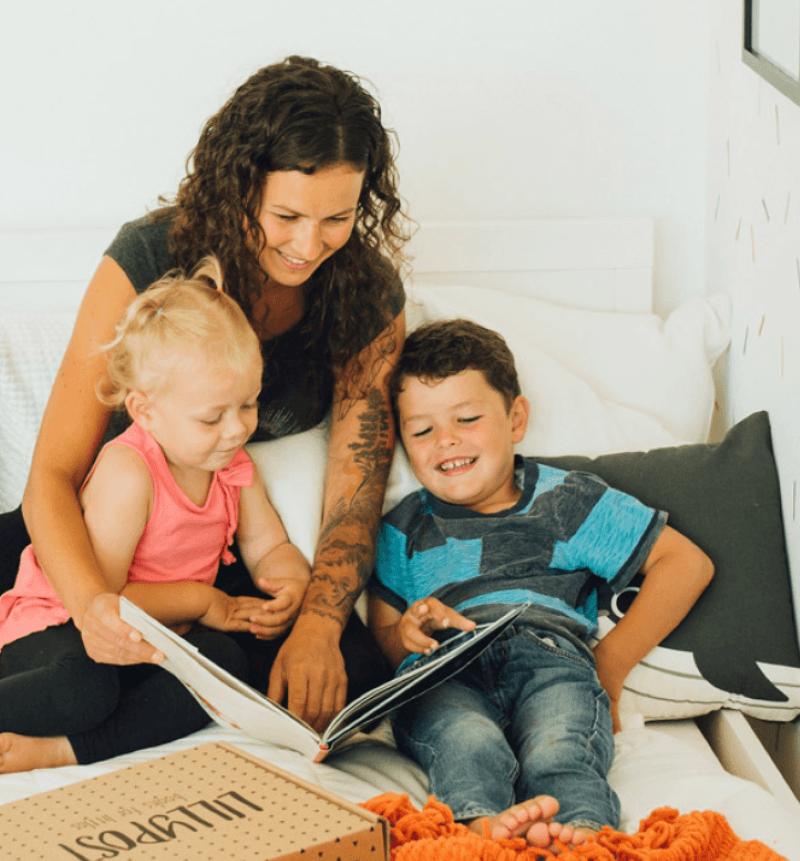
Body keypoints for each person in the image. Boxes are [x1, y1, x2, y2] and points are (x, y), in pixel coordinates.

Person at [1, 55, 406, 734]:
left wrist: (316, 618)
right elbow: (51, 475)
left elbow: (355, 495)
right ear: (242, 182)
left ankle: (79, 735)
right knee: (75, 667)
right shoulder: (151, 252)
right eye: (287, 214)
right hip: (86, 541)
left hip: (206, 562)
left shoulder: (364, 294)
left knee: (354, 683)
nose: (309, 244)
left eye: (337, 218)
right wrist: (96, 605)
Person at [367, 319, 714, 851]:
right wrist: (407, 633)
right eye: (421, 430)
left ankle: (576, 836)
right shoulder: (402, 525)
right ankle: (482, 832)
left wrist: (612, 664)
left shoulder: (567, 500)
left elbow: (686, 564)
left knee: (562, 749)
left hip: (549, 658)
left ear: (516, 418)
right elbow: (386, 629)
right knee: (464, 742)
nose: (447, 441)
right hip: (443, 671)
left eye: (466, 418)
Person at [0, 258, 312, 773]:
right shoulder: (130, 472)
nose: (236, 430)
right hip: (63, 629)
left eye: (248, 406)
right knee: (86, 689)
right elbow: (105, 599)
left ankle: (61, 751)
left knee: (226, 667)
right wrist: (203, 601)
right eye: (212, 416)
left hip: (156, 635)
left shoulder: (232, 465)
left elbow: (268, 547)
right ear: (145, 410)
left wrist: (289, 583)